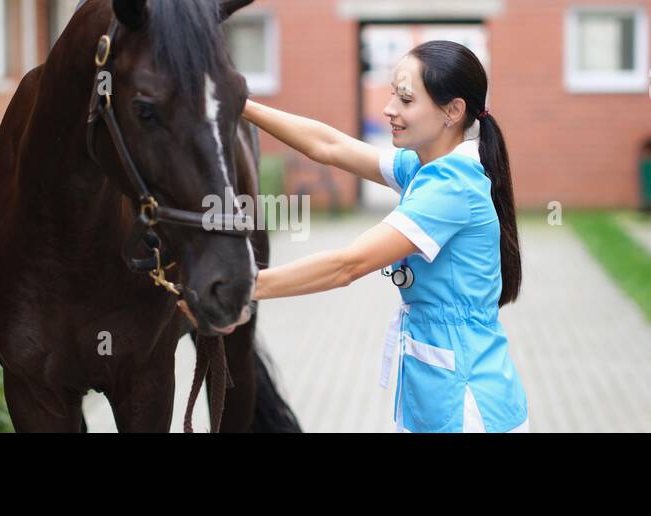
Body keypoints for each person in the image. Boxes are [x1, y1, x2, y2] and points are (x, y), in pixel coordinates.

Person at [181, 40, 528, 433]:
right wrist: (239, 104)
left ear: (453, 110)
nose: (389, 109)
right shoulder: (425, 165)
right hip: (437, 394)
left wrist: (244, 289)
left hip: (468, 408)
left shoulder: (452, 186)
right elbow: (326, 145)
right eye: (393, 93)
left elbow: (348, 265)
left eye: (406, 99)